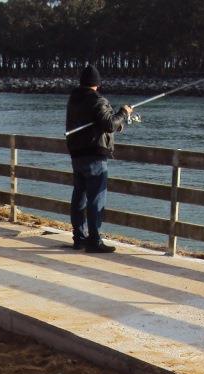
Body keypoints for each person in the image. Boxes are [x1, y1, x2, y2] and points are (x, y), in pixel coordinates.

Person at [65, 64, 133, 253]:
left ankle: (79, 238)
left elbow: (97, 123)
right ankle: (94, 240)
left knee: (79, 197)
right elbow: (109, 124)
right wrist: (123, 113)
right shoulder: (97, 100)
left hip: (77, 154)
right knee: (96, 198)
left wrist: (116, 122)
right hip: (94, 155)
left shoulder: (73, 99)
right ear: (97, 83)